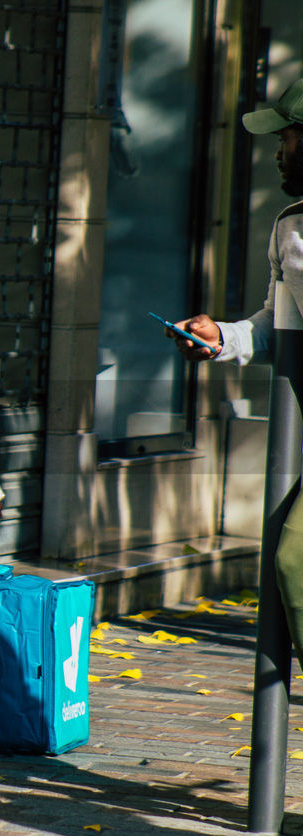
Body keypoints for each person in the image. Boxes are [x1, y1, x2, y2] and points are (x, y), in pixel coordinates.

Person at [170, 78, 303, 670]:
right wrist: (222, 337)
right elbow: (277, 327)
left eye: (288, 137)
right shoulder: (290, 230)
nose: (277, 150)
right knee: (294, 562)